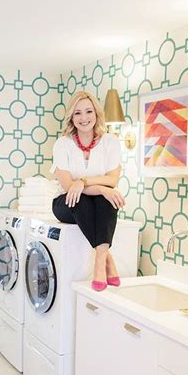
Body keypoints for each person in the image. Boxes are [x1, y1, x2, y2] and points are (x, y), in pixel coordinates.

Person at [50, 90, 125, 291]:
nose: (84, 118)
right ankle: (107, 257)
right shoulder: (63, 144)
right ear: (71, 117)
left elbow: (113, 178)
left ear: (96, 114)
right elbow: (69, 187)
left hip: (95, 203)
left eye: (88, 111)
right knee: (83, 198)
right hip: (66, 204)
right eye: (77, 113)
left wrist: (82, 181)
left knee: (105, 200)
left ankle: (99, 263)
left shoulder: (110, 142)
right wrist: (101, 188)